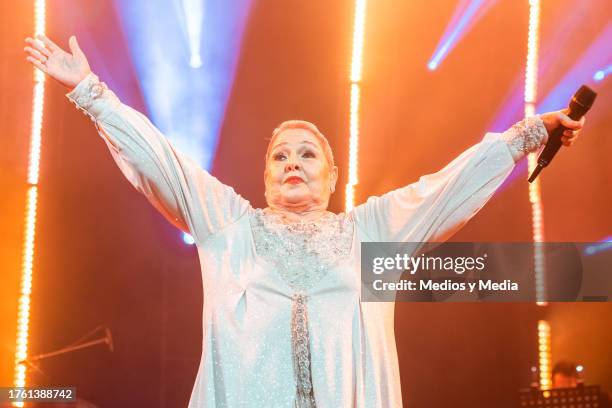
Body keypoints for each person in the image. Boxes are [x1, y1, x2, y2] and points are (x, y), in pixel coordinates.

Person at [24, 34, 585, 407]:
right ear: (266, 175)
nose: (292, 162)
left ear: (333, 176)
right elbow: (163, 162)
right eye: (280, 156)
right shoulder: (230, 227)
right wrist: (90, 93)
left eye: (306, 154)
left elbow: (446, 187)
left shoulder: (369, 232)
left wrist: (530, 134)